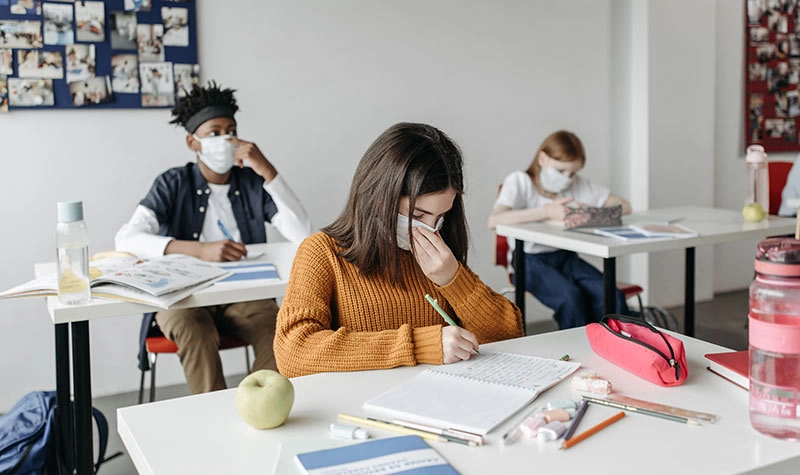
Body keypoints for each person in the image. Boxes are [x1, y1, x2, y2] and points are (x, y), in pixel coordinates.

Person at [274, 122, 523, 378]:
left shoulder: (439, 255)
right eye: (418, 214)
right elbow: (293, 352)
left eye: (440, 217)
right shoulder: (322, 251)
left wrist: (454, 280)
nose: (430, 230)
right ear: (378, 197)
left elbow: (509, 335)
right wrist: (420, 345)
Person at [116, 81, 313, 394]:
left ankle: (258, 405)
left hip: (245, 292)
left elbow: (303, 235)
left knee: (279, 332)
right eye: (214, 132)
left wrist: (268, 170)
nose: (225, 139)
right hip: (183, 296)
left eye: (230, 130)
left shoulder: (250, 183)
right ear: (193, 142)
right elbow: (126, 238)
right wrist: (199, 250)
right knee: (195, 332)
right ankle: (215, 412)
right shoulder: (173, 183)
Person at [488, 130, 632, 329]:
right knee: (570, 299)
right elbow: (495, 220)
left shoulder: (577, 184)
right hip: (528, 261)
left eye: (572, 173)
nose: (567, 178)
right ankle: (577, 352)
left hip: (566, 258)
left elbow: (625, 206)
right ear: (543, 158)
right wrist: (547, 211)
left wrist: (590, 214)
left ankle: (618, 346)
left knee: (611, 295)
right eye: (561, 171)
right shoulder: (520, 181)